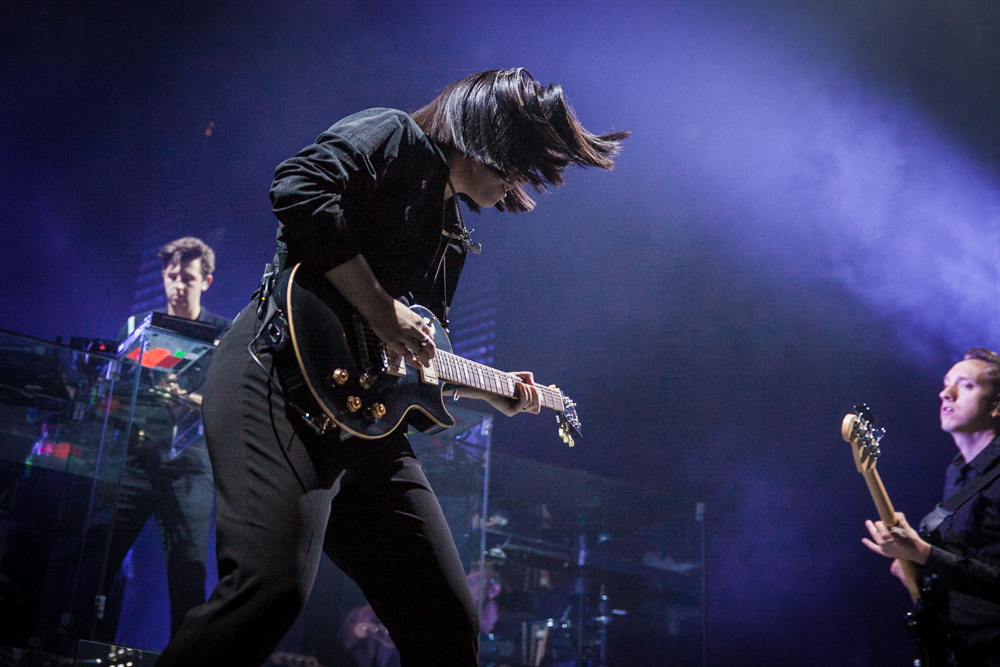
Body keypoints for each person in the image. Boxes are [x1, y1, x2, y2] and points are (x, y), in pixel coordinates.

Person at [154, 68, 628, 667]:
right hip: (272, 380)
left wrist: (493, 393)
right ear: (487, 135)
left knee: (448, 628)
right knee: (267, 593)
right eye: (517, 164)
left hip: (365, 423)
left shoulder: (451, 233)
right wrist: (382, 311)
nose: (517, 185)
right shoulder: (394, 136)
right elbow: (298, 188)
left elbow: (405, 356)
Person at [100, 237, 230, 641]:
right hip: (135, 459)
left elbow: (228, 402)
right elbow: (113, 389)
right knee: (99, 561)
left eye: (187, 278)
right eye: (172, 276)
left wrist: (183, 397)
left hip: (190, 465)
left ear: (206, 281)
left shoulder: (223, 334)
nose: (177, 285)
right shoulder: (138, 325)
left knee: (188, 574)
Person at [864, 348, 1000, 665]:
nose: (945, 393)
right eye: (947, 383)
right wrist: (917, 568)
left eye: (966, 385)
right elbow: (970, 562)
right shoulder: (957, 470)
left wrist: (923, 554)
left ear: (997, 405)